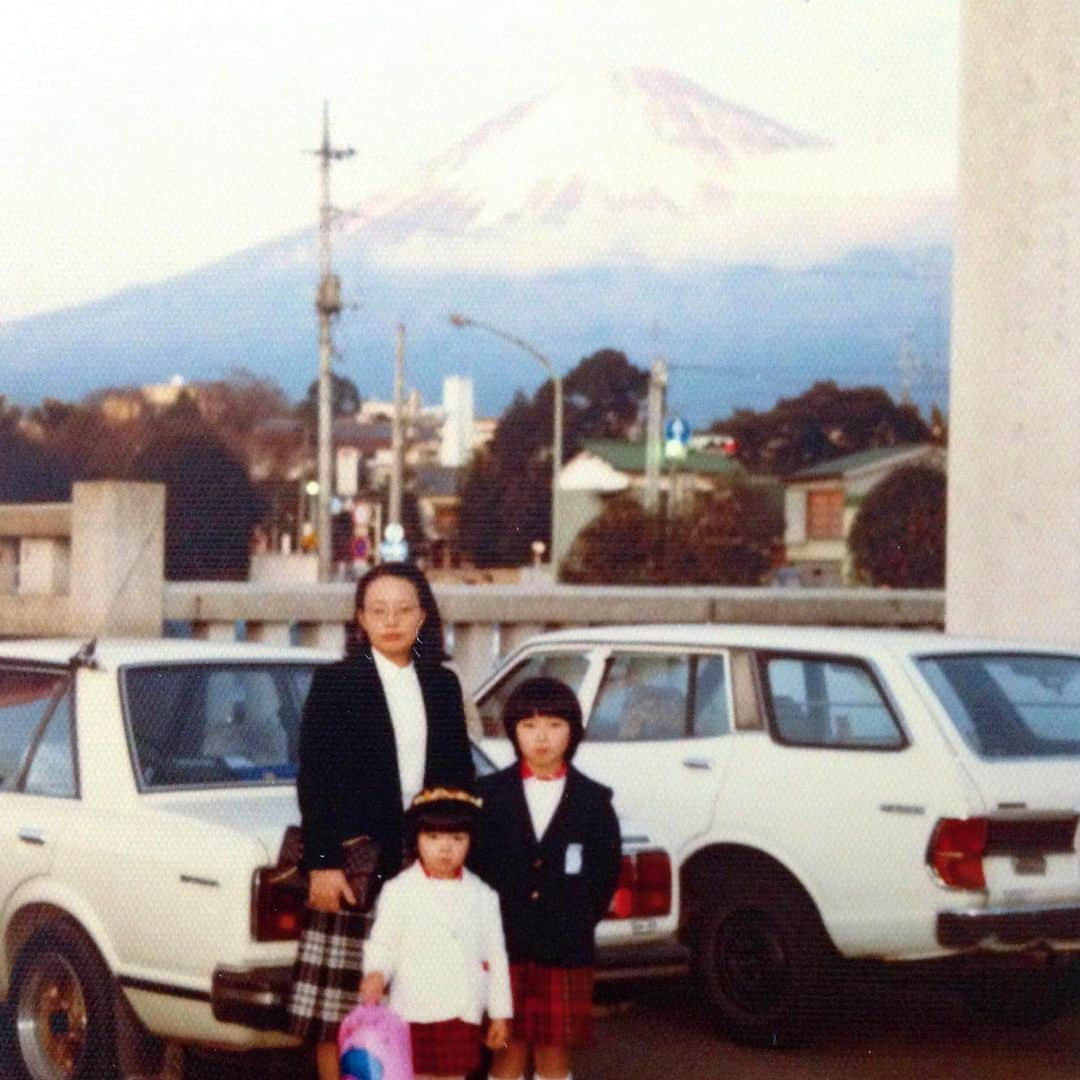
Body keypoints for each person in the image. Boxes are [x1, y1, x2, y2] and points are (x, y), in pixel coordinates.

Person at [286, 562, 475, 1080]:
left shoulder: (441, 684)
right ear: (360, 620)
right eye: (378, 610)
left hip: (425, 862)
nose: (391, 620)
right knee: (342, 1011)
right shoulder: (337, 683)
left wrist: (459, 856)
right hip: (354, 863)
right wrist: (323, 865)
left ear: (423, 617)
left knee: (421, 1002)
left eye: (404, 609)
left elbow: (460, 778)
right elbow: (315, 780)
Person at [471, 677, 622, 1080]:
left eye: (554, 725)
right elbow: (476, 870)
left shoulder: (593, 801)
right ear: (512, 731)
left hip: (564, 948)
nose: (542, 737)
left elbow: (604, 874)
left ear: (572, 731)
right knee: (506, 1053)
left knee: (554, 1058)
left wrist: (573, 921)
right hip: (503, 948)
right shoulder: (487, 795)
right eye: (529, 725)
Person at [360, 788, 513, 1080]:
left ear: (471, 842)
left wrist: (500, 1013)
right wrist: (376, 973)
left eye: (457, 839)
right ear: (416, 841)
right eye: (433, 838)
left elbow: (496, 957)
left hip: (461, 1010)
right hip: (412, 1009)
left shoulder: (483, 895)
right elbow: (383, 942)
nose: (445, 849)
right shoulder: (398, 891)